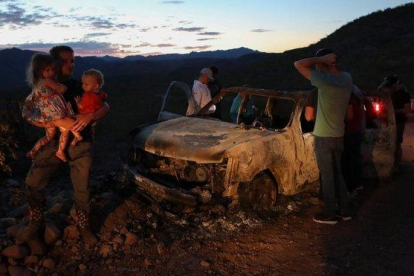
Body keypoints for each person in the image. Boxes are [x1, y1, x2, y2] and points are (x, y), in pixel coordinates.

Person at [21, 46, 110, 248]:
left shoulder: (80, 86)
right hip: (54, 143)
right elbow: (28, 112)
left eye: (73, 61)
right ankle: (35, 224)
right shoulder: (42, 88)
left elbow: (106, 106)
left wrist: (90, 116)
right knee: (34, 181)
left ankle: (84, 225)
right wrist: (47, 124)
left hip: (81, 142)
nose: (71, 65)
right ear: (52, 64)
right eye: (66, 61)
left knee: (82, 187)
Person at [294, 48, 353, 225]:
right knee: (338, 173)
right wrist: (326, 61)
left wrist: (320, 59)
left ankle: (329, 213)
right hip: (339, 134)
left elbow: (297, 64)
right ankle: (345, 210)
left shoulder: (324, 82)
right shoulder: (347, 78)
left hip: (323, 136)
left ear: (323, 64)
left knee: (327, 175)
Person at [22, 53, 83, 162]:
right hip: (54, 112)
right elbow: (61, 89)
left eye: (53, 70)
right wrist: (61, 86)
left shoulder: (38, 82)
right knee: (65, 129)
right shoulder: (47, 80)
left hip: (47, 114)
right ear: (39, 71)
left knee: (49, 137)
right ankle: (62, 150)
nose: (51, 72)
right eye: (48, 70)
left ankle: (33, 151)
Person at [378, 74, 411, 172]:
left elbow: (407, 109)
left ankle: (396, 166)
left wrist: (393, 112)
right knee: (388, 143)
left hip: (399, 122)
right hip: (388, 121)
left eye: (390, 86)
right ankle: (389, 164)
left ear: (395, 85)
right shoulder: (388, 93)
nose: (389, 88)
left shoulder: (403, 94)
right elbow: (379, 90)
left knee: (397, 143)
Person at [342, 85, 365, 194]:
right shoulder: (357, 100)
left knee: (349, 162)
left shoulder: (348, 100)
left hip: (350, 133)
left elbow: (349, 116)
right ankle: (358, 184)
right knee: (355, 160)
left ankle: (351, 188)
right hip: (357, 132)